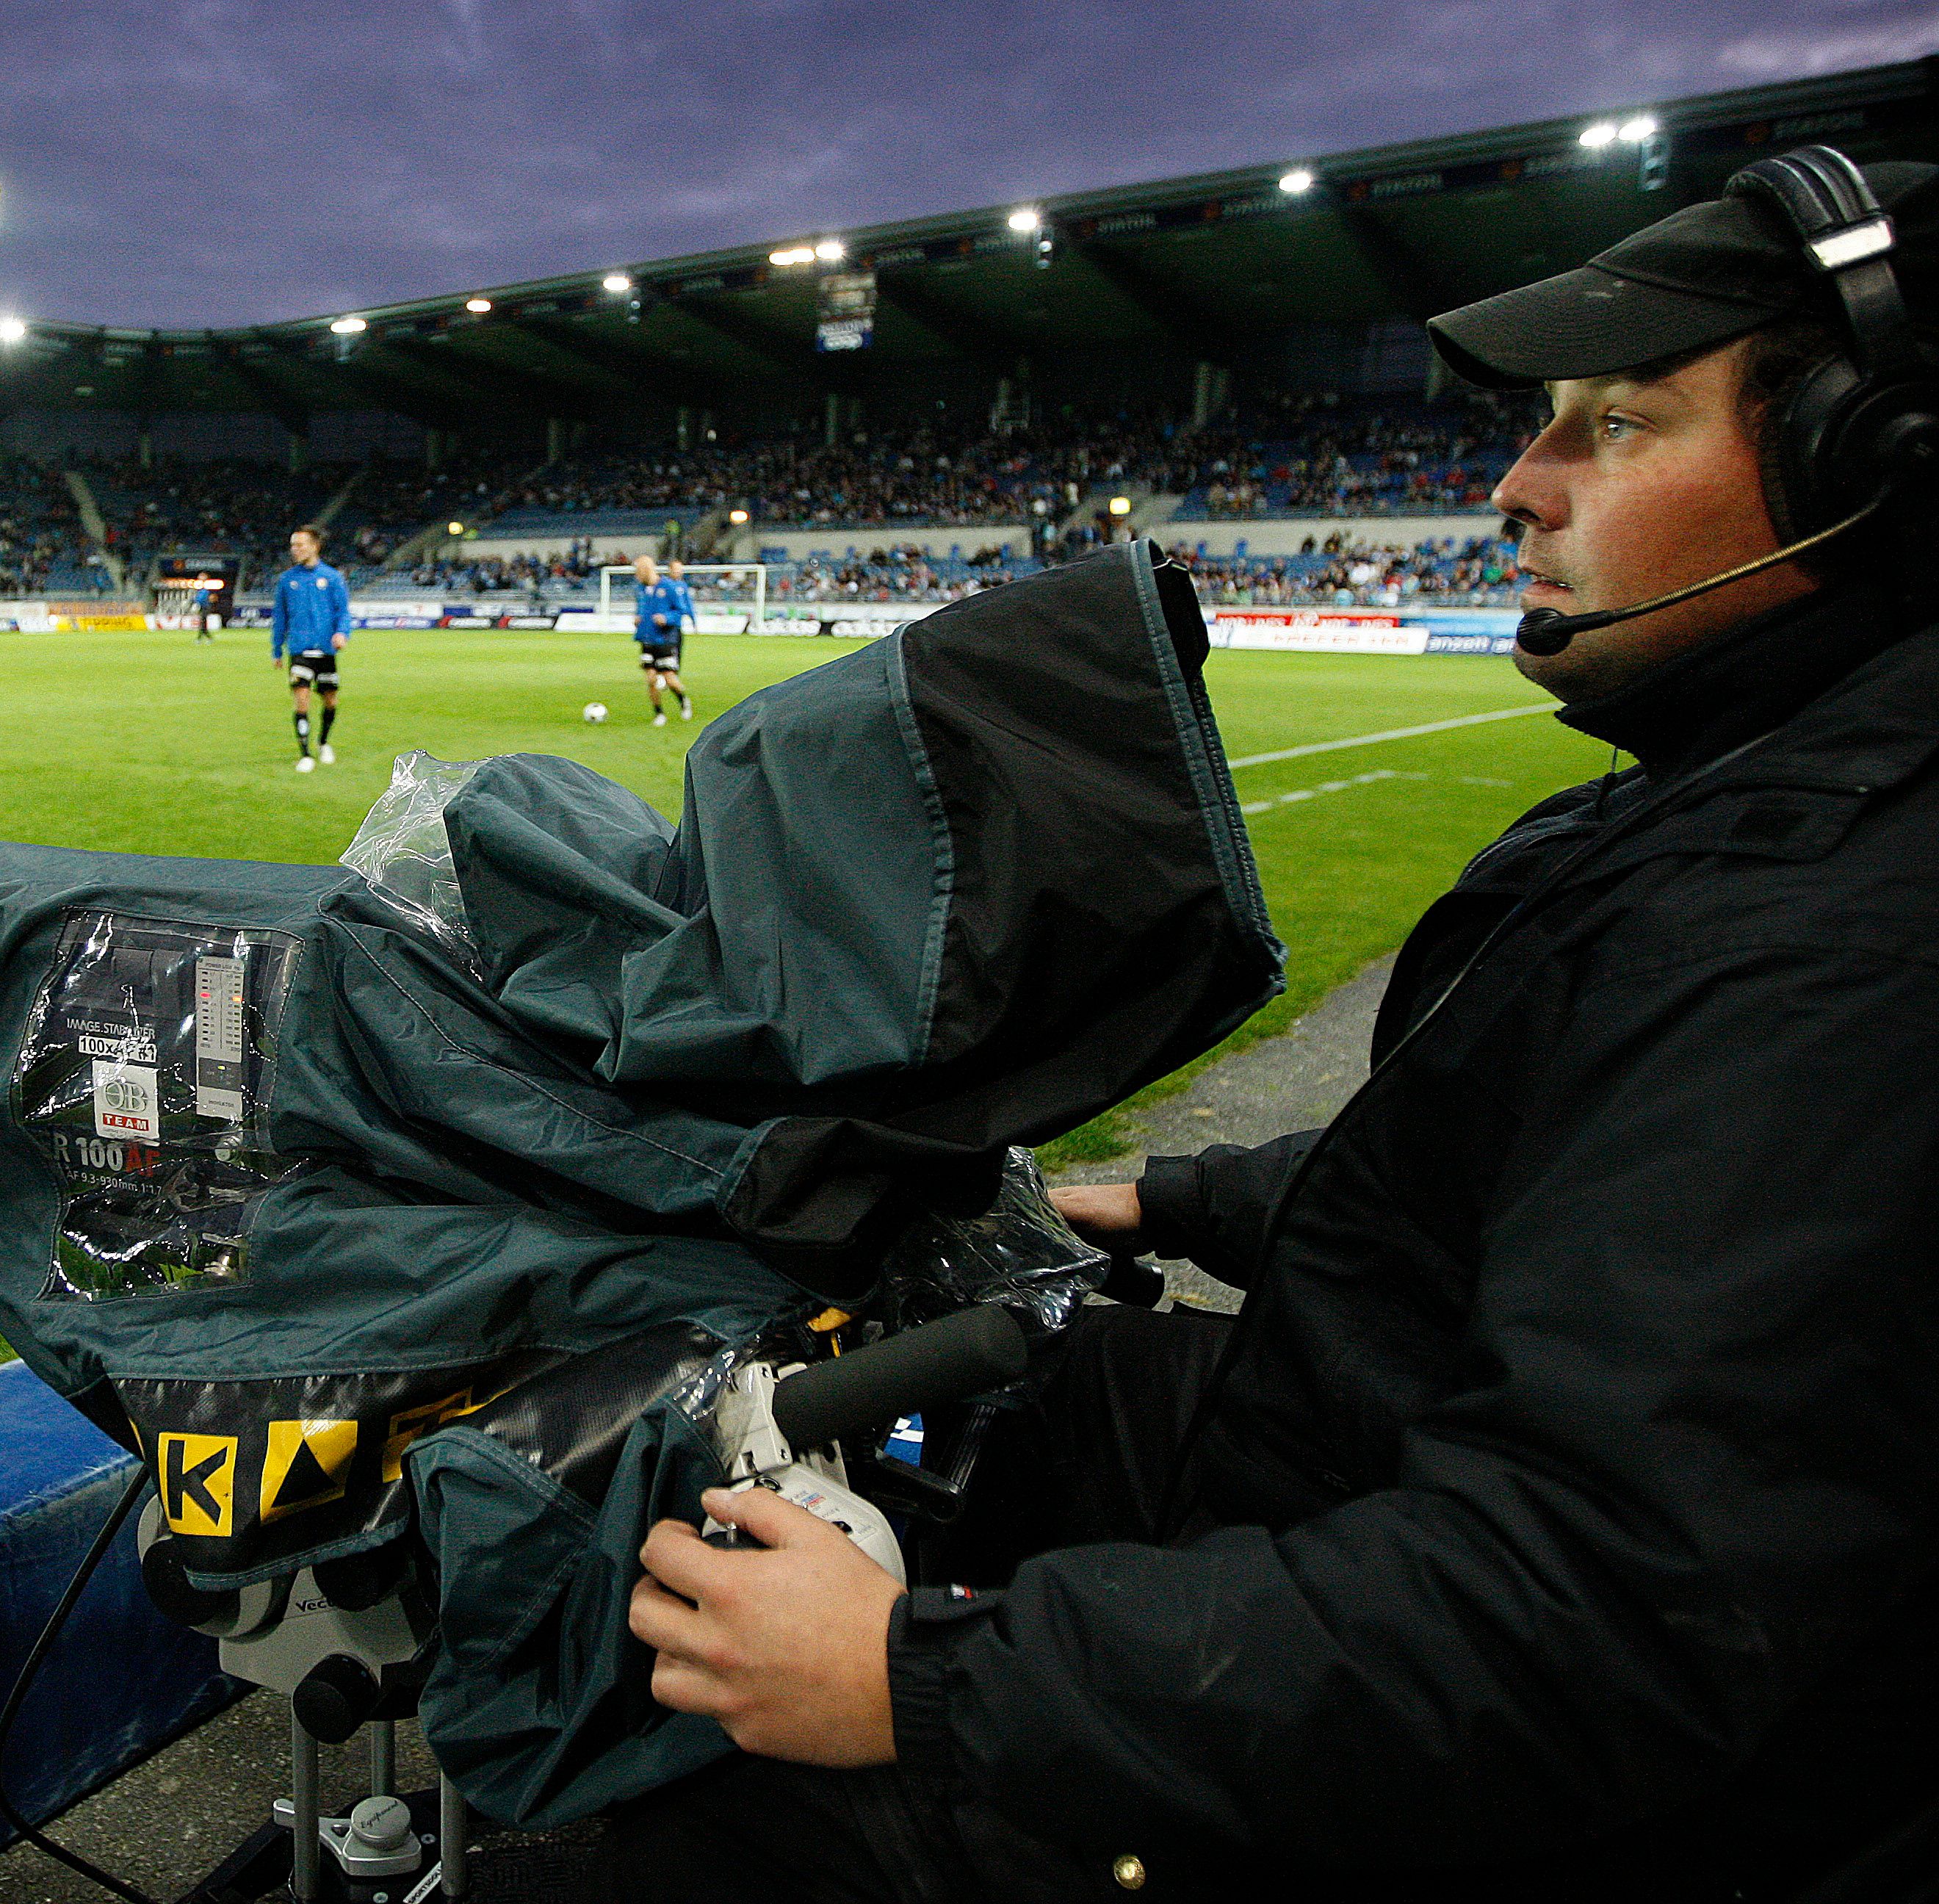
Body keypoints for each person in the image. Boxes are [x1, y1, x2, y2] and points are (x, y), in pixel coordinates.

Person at [613, 150, 1939, 1902]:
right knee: (1023, 1387)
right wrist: (1181, 1196)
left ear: (1873, 465)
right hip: (1383, 1435)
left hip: (1549, 1759)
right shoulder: (1751, 778)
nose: (1516, 487)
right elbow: (1551, 1168)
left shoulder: (1832, 929)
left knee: (699, 1805)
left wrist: (907, 1679)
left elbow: (1594, 1609)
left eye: (1616, 425)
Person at [270, 524, 350, 772]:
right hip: (299, 650)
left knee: (330, 700)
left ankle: (324, 742)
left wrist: (342, 633)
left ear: (315, 546)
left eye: (300, 545)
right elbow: (280, 617)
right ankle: (305, 754)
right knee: (302, 701)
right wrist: (276, 650)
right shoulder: (287, 580)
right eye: (293, 545)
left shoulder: (332, 577)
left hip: (326, 650)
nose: (295, 550)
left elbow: (343, 612)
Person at [629, 552, 694, 724]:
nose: (636, 575)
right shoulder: (641, 590)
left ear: (646, 570)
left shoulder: (669, 587)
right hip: (647, 639)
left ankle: (683, 700)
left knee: (669, 679)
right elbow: (640, 609)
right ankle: (659, 714)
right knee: (651, 679)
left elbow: (681, 611)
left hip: (665, 639)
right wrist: (638, 619)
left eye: (638, 571)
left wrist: (667, 618)